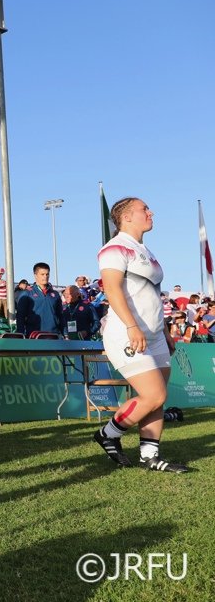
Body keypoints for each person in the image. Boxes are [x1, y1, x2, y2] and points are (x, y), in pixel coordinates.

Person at [93, 197, 187, 473]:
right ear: (126, 217)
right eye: (144, 209)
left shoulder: (146, 251)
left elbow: (153, 296)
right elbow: (112, 289)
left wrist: (166, 331)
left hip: (154, 334)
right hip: (126, 333)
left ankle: (150, 456)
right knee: (153, 395)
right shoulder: (114, 248)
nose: (151, 212)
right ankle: (108, 434)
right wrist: (133, 327)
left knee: (158, 397)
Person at [16, 262, 64, 337]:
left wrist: (65, 334)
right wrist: (20, 334)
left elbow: (60, 316)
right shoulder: (27, 293)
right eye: (42, 274)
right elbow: (20, 316)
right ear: (35, 275)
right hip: (34, 335)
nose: (45, 276)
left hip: (54, 335)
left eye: (47, 274)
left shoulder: (55, 294)